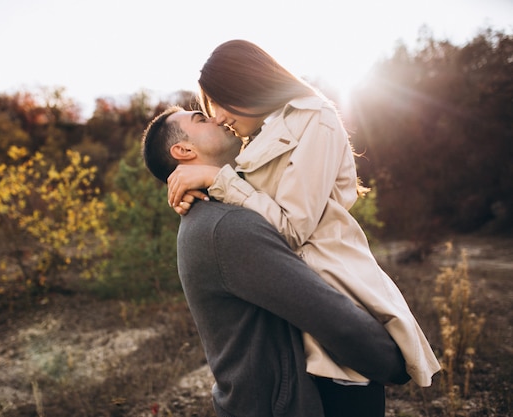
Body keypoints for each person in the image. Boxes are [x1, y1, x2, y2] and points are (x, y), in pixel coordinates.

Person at [166, 39, 441, 413]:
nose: (217, 117)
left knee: (350, 394)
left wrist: (218, 180)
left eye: (217, 102)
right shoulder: (257, 137)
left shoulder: (315, 117)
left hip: (334, 295)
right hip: (300, 318)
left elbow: (292, 229)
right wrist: (197, 188)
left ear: (244, 85)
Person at [141, 106, 410, 417]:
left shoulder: (217, 214)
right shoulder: (226, 226)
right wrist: (392, 361)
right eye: (201, 119)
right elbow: (325, 312)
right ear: (183, 150)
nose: (216, 118)